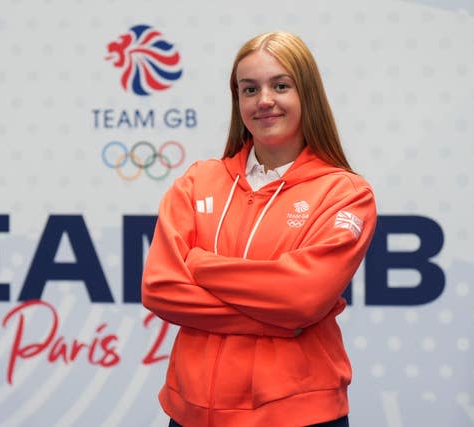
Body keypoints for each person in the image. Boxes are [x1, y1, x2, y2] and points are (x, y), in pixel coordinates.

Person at [141, 31, 377, 427]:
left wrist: (199, 265)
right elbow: (160, 287)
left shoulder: (344, 193)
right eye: (249, 89)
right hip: (190, 415)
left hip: (297, 417)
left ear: (308, 95)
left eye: (280, 85)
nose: (263, 100)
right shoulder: (198, 181)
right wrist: (281, 322)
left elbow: (301, 298)